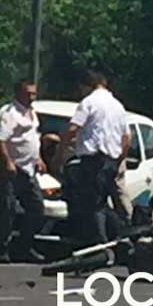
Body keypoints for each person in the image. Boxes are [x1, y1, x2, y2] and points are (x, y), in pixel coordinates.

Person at [58, 69, 131, 244]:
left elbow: (72, 128)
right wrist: (119, 161)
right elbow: (126, 138)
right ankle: (123, 233)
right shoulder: (118, 106)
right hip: (111, 161)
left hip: (93, 161)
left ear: (87, 86)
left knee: (92, 205)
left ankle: (99, 243)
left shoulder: (89, 102)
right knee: (101, 203)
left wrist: (60, 152)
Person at [0, 78, 47, 264]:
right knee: (7, 209)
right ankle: (1, 248)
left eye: (34, 93)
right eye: (28, 93)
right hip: (12, 170)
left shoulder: (32, 113)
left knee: (37, 209)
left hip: (29, 170)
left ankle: (24, 246)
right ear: (18, 93)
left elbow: (33, 137)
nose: (32, 97)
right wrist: (7, 161)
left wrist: (38, 158)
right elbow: (0, 140)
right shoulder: (10, 114)